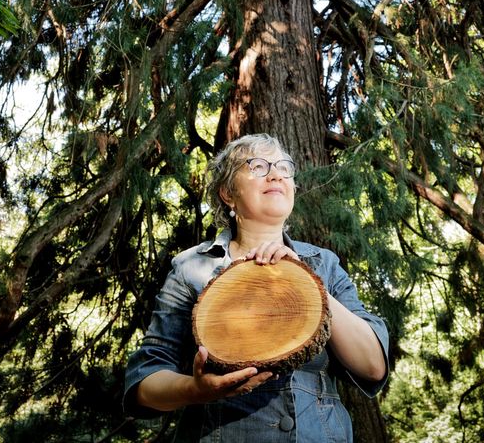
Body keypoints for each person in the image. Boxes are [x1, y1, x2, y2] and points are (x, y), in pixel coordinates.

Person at [123, 133, 390, 442]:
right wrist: (195, 390)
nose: (276, 174)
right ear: (227, 193)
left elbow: (373, 366)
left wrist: (306, 282)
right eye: (258, 166)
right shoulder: (189, 268)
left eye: (284, 167)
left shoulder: (324, 264)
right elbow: (144, 382)